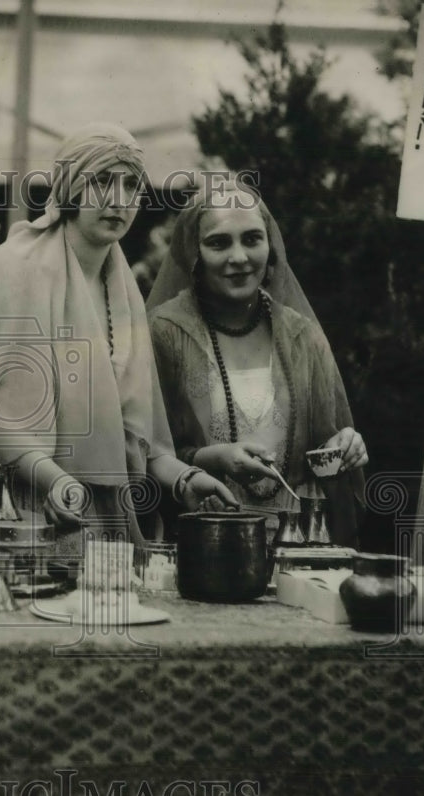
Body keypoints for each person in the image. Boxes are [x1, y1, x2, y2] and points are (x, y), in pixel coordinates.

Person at [0, 123, 236, 551]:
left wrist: (187, 480)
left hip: (106, 525)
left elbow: (139, 439)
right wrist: (60, 483)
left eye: (130, 185)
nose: (117, 199)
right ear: (69, 188)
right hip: (28, 516)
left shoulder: (125, 291)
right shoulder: (14, 268)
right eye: (100, 181)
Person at [146, 179, 366, 546]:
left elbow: (322, 448)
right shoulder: (165, 333)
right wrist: (209, 458)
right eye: (218, 242)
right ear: (193, 253)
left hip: (298, 545)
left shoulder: (302, 336)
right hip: (204, 543)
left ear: (271, 246)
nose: (239, 257)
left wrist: (346, 445)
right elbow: (143, 455)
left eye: (251, 239)